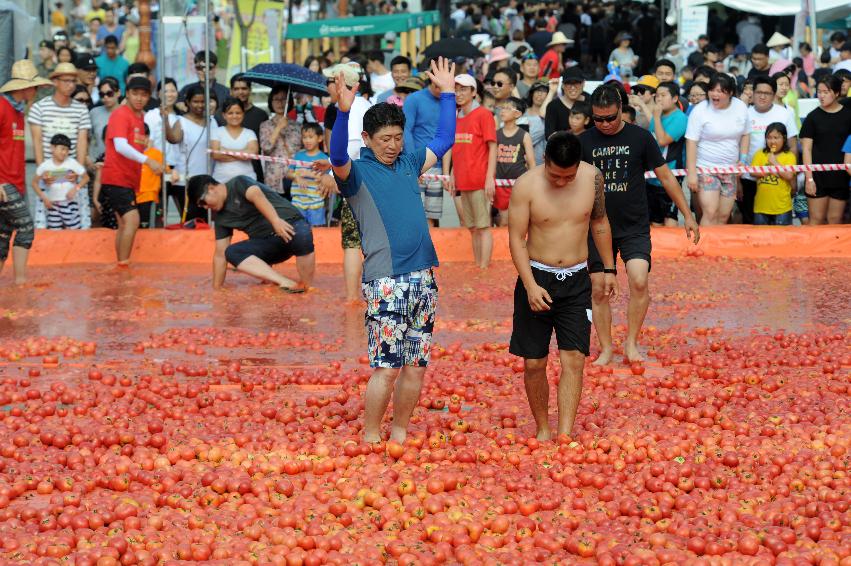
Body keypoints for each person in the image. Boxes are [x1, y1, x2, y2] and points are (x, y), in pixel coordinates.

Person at [329, 57, 457, 444]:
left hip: (423, 279)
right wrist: (342, 112)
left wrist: (448, 94)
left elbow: (444, 139)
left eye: (397, 138)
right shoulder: (356, 173)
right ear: (367, 139)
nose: (392, 146)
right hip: (386, 282)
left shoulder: (408, 162)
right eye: (384, 139)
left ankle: (399, 432)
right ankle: (371, 434)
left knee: (416, 368)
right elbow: (336, 157)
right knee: (386, 368)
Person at [507, 132, 616, 440]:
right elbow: (516, 238)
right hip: (537, 276)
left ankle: (564, 432)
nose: (562, 182)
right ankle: (543, 428)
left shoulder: (593, 178)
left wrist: (608, 268)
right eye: (555, 176)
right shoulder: (526, 185)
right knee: (534, 362)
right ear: (545, 162)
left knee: (574, 359)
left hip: (576, 279)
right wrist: (529, 285)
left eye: (568, 177)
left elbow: (600, 223)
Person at [581, 85, 699, 365]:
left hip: (634, 224)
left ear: (621, 110)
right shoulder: (584, 142)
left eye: (610, 118)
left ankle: (632, 342)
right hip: (596, 228)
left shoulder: (640, 137)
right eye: (598, 119)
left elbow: (667, 177)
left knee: (638, 279)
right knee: (598, 288)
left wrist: (688, 214)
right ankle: (607, 347)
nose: (605, 124)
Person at [189, 174, 315, 292]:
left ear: (211, 188)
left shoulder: (238, 183)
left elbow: (256, 194)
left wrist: (275, 220)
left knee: (302, 235)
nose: (205, 207)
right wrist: (217, 288)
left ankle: (308, 286)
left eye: (202, 202)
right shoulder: (221, 218)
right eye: (201, 206)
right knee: (231, 252)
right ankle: (284, 282)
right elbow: (220, 255)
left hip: (290, 226)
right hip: (269, 246)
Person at [99, 76, 163, 265]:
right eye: (135, 94)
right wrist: (148, 161)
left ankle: (120, 263)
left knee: (124, 224)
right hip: (116, 177)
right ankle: (124, 264)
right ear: (127, 94)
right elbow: (120, 146)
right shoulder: (121, 114)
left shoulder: (140, 118)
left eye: (144, 95)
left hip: (128, 179)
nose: (139, 98)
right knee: (133, 220)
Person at [0, 61, 51, 284]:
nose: (37, 91)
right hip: (4, 182)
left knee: (3, 236)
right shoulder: (2, 107)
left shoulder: (19, 112)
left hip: (15, 181)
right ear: (24, 87)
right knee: (26, 228)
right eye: (35, 87)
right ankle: (20, 283)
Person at [28, 63, 92, 230]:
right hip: (48, 173)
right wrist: (43, 172)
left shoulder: (81, 110)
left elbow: (82, 141)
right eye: (66, 81)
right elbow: (37, 142)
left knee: (78, 222)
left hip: (72, 173)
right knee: (46, 223)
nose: (71, 85)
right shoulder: (39, 108)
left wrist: (77, 171)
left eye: (73, 81)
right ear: (55, 81)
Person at [685, 73, 750, 225]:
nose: (715, 94)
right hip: (706, 168)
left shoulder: (740, 107)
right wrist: (692, 173)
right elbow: (691, 142)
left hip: (730, 170)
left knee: (724, 215)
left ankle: (716, 247)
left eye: (721, 91)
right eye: (712, 90)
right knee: (710, 211)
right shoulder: (700, 110)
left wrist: (743, 160)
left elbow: (746, 134)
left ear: (731, 93)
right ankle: (702, 247)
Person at [448, 73, 497, 269]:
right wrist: (452, 175)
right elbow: (455, 149)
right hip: (462, 180)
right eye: (456, 89)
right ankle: (478, 266)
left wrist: (489, 179)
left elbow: (493, 147)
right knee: (473, 228)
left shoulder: (484, 114)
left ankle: (484, 268)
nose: (458, 93)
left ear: (474, 92)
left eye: (463, 89)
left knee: (484, 227)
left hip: (479, 180)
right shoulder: (456, 116)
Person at [741, 76, 798, 224]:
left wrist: (793, 179)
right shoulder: (744, 113)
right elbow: (737, 145)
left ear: (773, 95)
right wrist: (737, 181)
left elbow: (792, 146)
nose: (762, 96)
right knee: (751, 222)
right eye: (758, 92)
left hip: (779, 178)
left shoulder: (784, 113)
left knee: (779, 222)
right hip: (749, 177)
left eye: (767, 93)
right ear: (752, 93)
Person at [799, 75, 851, 224]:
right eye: (819, 92)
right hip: (817, 177)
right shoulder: (812, 117)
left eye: (825, 92)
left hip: (841, 176)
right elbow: (806, 149)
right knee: (816, 220)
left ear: (836, 93)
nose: (821, 96)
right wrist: (809, 178)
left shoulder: (848, 115)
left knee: (835, 220)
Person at [403, 72, 445, 227]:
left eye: (443, 86)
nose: (440, 90)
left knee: (432, 215)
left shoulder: (448, 100)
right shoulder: (414, 99)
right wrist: (414, 163)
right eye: (436, 86)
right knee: (413, 212)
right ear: (430, 81)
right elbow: (406, 130)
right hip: (417, 162)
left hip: (438, 165)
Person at [647, 81, 688, 227]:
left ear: (675, 98)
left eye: (663, 95)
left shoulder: (680, 118)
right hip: (652, 176)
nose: (659, 99)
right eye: (657, 96)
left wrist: (656, 117)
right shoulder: (656, 116)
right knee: (654, 221)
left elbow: (662, 140)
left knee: (670, 218)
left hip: (671, 175)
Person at [215, 74, 268, 182]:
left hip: (253, 173)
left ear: (250, 90)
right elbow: (216, 153)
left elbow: (256, 151)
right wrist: (243, 155)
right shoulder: (220, 115)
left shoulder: (261, 115)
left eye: (244, 88)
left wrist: (226, 151)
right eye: (236, 89)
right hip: (223, 176)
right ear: (231, 91)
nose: (240, 92)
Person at [32, 134, 89, 230]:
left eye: (67, 150)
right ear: (52, 148)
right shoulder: (45, 165)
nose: (64, 152)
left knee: (74, 230)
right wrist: (44, 198)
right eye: (62, 149)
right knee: (55, 231)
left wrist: (76, 189)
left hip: (70, 204)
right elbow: (34, 183)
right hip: (53, 205)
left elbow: (86, 178)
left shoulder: (72, 163)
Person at [495, 97, 536, 226]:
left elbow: (531, 162)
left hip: (518, 185)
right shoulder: (495, 134)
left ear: (517, 114)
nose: (502, 111)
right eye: (502, 108)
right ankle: (503, 246)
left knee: (519, 221)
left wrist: (532, 185)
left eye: (507, 108)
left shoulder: (524, 135)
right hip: (500, 184)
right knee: (503, 220)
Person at [259, 86, 304, 195]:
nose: (280, 103)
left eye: (284, 99)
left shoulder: (298, 126)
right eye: (276, 99)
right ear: (271, 101)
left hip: (295, 177)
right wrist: (278, 128)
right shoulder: (265, 125)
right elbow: (266, 148)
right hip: (274, 179)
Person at [750, 123, 796, 226]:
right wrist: (768, 171)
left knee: (782, 238)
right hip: (761, 206)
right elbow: (752, 172)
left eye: (776, 138)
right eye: (769, 138)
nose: (772, 141)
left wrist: (775, 163)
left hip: (782, 207)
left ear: (784, 138)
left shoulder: (789, 156)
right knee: (761, 238)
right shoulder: (760, 154)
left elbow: (789, 176)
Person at [287, 123, 329, 226]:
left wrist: (308, 173)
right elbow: (288, 173)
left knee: (317, 232)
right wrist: (297, 177)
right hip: (298, 202)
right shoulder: (298, 155)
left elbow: (326, 178)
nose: (307, 140)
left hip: (316, 203)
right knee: (298, 230)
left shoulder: (324, 158)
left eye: (310, 137)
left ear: (320, 138)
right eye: (304, 137)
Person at [211, 98, 259, 183]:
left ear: (243, 114)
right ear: (224, 115)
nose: (234, 116)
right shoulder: (216, 132)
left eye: (238, 113)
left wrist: (225, 150)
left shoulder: (250, 133)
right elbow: (216, 155)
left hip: (247, 180)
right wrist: (243, 155)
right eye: (230, 113)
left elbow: (252, 154)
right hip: (221, 180)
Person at [544, 66, 587, 139]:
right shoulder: (553, 106)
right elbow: (549, 135)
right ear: (563, 85)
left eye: (577, 82)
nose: (572, 87)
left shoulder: (591, 101)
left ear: (583, 83)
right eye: (568, 83)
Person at [88, 77, 121, 169]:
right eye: (102, 94)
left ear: (118, 93)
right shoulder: (94, 112)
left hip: (119, 166)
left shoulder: (127, 113)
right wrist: (88, 160)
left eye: (109, 93)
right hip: (96, 165)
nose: (105, 97)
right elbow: (87, 138)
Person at [137, 125, 165, 228]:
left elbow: (166, 170)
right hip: (132, 195)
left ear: (147, 137)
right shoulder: (130, 153)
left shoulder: (156, 154)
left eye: (141, 136)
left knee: (146, 225)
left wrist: (173, 172)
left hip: (149, 195)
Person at [518, 81, 549, 165]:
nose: (540, 94)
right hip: (522, 162)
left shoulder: (551, 115)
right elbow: (520, 139)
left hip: (543, 163)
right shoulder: (522, 113)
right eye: (537, 91)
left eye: (544, 91)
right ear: (532, 93)